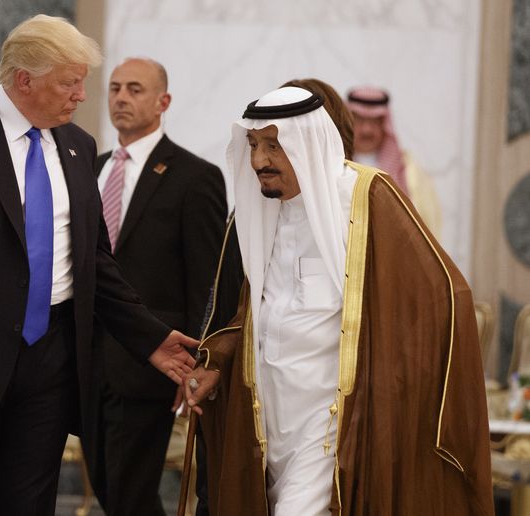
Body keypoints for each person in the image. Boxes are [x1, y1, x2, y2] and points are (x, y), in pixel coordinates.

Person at [0, 14, 198, 516]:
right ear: (23, 79)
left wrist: (150, 338)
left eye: (82, 83)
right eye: (69, 83)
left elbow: (95, 263)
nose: (80, 96)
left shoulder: (78, 146)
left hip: (52, 362)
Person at [185, 86, 492, 515]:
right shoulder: (258, 205)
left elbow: (445, 292)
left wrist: (393, 378)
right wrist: (216, 358)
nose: (259, 161)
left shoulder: (367, 198)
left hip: (331, 418)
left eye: (274, 146)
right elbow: (250, 311)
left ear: (306, 141)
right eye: (254, 145)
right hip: (267, 417)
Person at [81, 57, 227, 516]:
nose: (122, 97)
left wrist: (201, 361)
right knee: (109, 489)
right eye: (115, 88)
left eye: (135, 89)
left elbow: (207, 281)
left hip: (150, 363)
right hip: (85, 360)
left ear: (163, 101)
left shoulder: (193, 177)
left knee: (129, 492)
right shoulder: (90, 167)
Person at [347, 85, 442, 233]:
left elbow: (426, 228)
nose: (367, 130)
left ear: (385, 125)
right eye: (359, 120)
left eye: (375, 122)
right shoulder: (335, 165)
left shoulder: (409, 172)